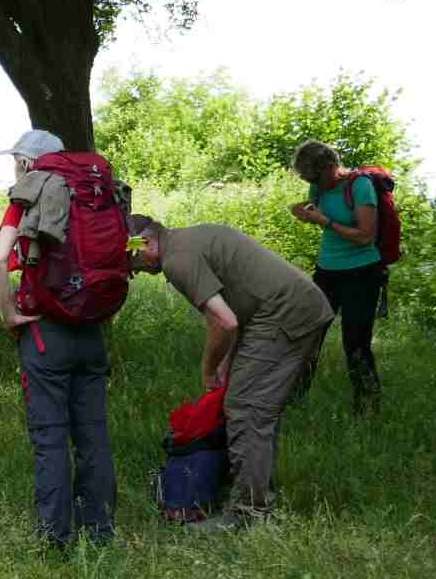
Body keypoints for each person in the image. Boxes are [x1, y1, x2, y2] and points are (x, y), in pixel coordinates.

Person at [127, 213, 333, 532]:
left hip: (284, 311)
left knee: (246, 408)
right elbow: (237, 308)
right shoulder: (188, 239)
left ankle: (248, 514)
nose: (136, 270)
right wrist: (226, 363)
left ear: (146, 243)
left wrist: (208, 369)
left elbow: (225, 322)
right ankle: (254, 493)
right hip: (292, 306)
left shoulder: (176, 260)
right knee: (255, 406)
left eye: (133, 260)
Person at [0, 129, 115, 551]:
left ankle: (55, 538)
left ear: (28, 163)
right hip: (91, 329)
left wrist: (9, 315)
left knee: (51, 437)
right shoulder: (95, 194)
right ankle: (100, 530)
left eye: (16, 161)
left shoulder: (28, 195)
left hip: (46, 333)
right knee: (93, 434)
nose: (14, 168)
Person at [288, 140, 385, 415]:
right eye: (308, 180)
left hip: (362, 273)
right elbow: (319, 212)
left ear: (332, 166)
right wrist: (305, 213)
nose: (313, 184)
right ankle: (294, 401)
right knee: (309, 335)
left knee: (355, 343)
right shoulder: (318, 187)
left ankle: (367, 410)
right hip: (327, 271)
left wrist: (325, 222)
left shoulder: (360, 186)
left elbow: (366, 236)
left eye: (316, 178)